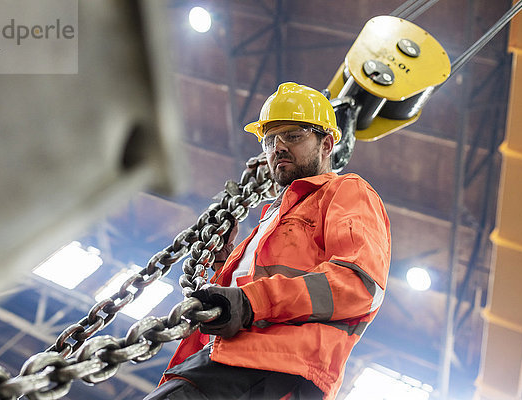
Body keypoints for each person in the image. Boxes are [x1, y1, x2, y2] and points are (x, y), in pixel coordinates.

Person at [144, 82, 391, 400]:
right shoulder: (271, 219)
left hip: (272, 366)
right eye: (271, 139)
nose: (278, 147)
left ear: (327, 144)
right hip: (230, 360)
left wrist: (250, 302)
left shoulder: (346, 191)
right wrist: (223, 264)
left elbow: (359, 285)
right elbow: (243, 300)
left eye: (293, 135)